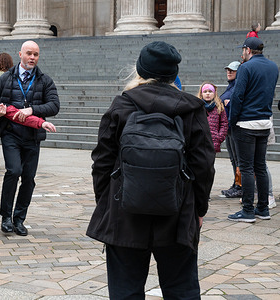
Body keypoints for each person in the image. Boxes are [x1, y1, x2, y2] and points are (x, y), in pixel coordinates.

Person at [86, 41, 215, 298]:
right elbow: (204, 166)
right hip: (177, 214)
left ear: (140, 70)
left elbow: (101, 162)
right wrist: (199, 210)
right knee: (181, 290)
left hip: (125, 212)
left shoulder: (121, 105)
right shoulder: (191, 108)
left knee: (126, 291)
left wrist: (107, 202)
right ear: (173, 74)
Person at [0, 40, 60, 236]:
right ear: (19, 54)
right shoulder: (5, 79)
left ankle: (19, 219)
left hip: (32, 136)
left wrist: (32, 109)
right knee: (13, 171)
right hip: (11, 133)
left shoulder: (45, 80)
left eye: (36, 54)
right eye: (29, 53)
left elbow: (54, 105)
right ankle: (6, 217)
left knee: (28, 178)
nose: (32, 58)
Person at [227, 37, 279, 222]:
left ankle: (248, 210)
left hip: (246, 123)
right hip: (264, 121)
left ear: (248, 50)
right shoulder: (273, 67)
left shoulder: (246, 68)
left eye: (243, 50)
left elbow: (238, 96)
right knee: (260, 167)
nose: (242, 53)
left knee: (247, 168)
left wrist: (232, 121)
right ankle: (263, 208)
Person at [220, 61, 243, 198]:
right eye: (228, 70)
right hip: (229, 128)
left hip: (235, 127)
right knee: (234, 159)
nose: (229, 72)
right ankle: (236, 184)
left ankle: (240, 186)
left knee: (239, 160)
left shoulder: (238, 87)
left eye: (232, 70)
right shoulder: (230, 87)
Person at [197, 82, 228, 153]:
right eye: (205, 92)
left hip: (214, 140)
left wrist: (219, 137)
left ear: (214, 93)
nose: (207, 93)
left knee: (210, 162)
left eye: (210, 91)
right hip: (199, 141)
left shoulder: (219, 107)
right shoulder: (197, 107)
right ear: (201, 94)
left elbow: (224, 123)